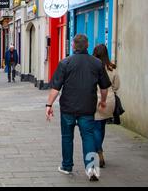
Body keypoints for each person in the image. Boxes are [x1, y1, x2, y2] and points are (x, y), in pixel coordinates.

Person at [46, 34, 111, 181]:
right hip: (87, 108)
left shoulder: (65, 63)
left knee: (67, 137)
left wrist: (49, 105)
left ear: (73, 46)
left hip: (68, 108)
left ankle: (66, 166)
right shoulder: (96, 63)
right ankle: (91, 168)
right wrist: (103, 101)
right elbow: (104, 87)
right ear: (87, 45)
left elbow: (55, 89)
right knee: (88, 136)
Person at [93, 44, 120, 168]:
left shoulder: (92, 66)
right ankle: (99, 150)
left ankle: (99, 152)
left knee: (95, 127)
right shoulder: (112, 68)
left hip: (95, 100)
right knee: (101, 126)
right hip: (109, 101)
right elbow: (116, 86)